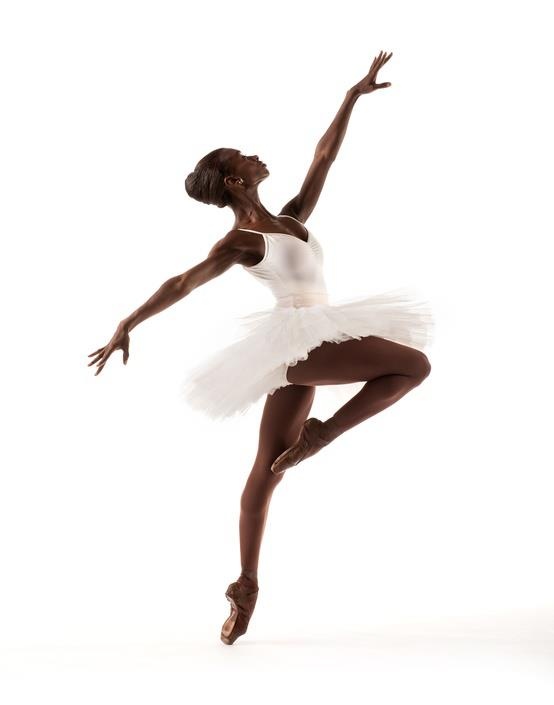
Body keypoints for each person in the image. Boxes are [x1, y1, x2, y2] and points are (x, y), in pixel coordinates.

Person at [88, 50, 435, 645]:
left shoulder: (293, 218)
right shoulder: (240, 241)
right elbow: (182, 282)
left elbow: (324, 156)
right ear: (234, 180)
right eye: (242, 155)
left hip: (314, 335)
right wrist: (128, 322)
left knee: (264, 473)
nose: (253, 154)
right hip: (299, 340)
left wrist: (350, 97)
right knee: (413, 364)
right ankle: (319, 437)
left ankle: (244, 588)